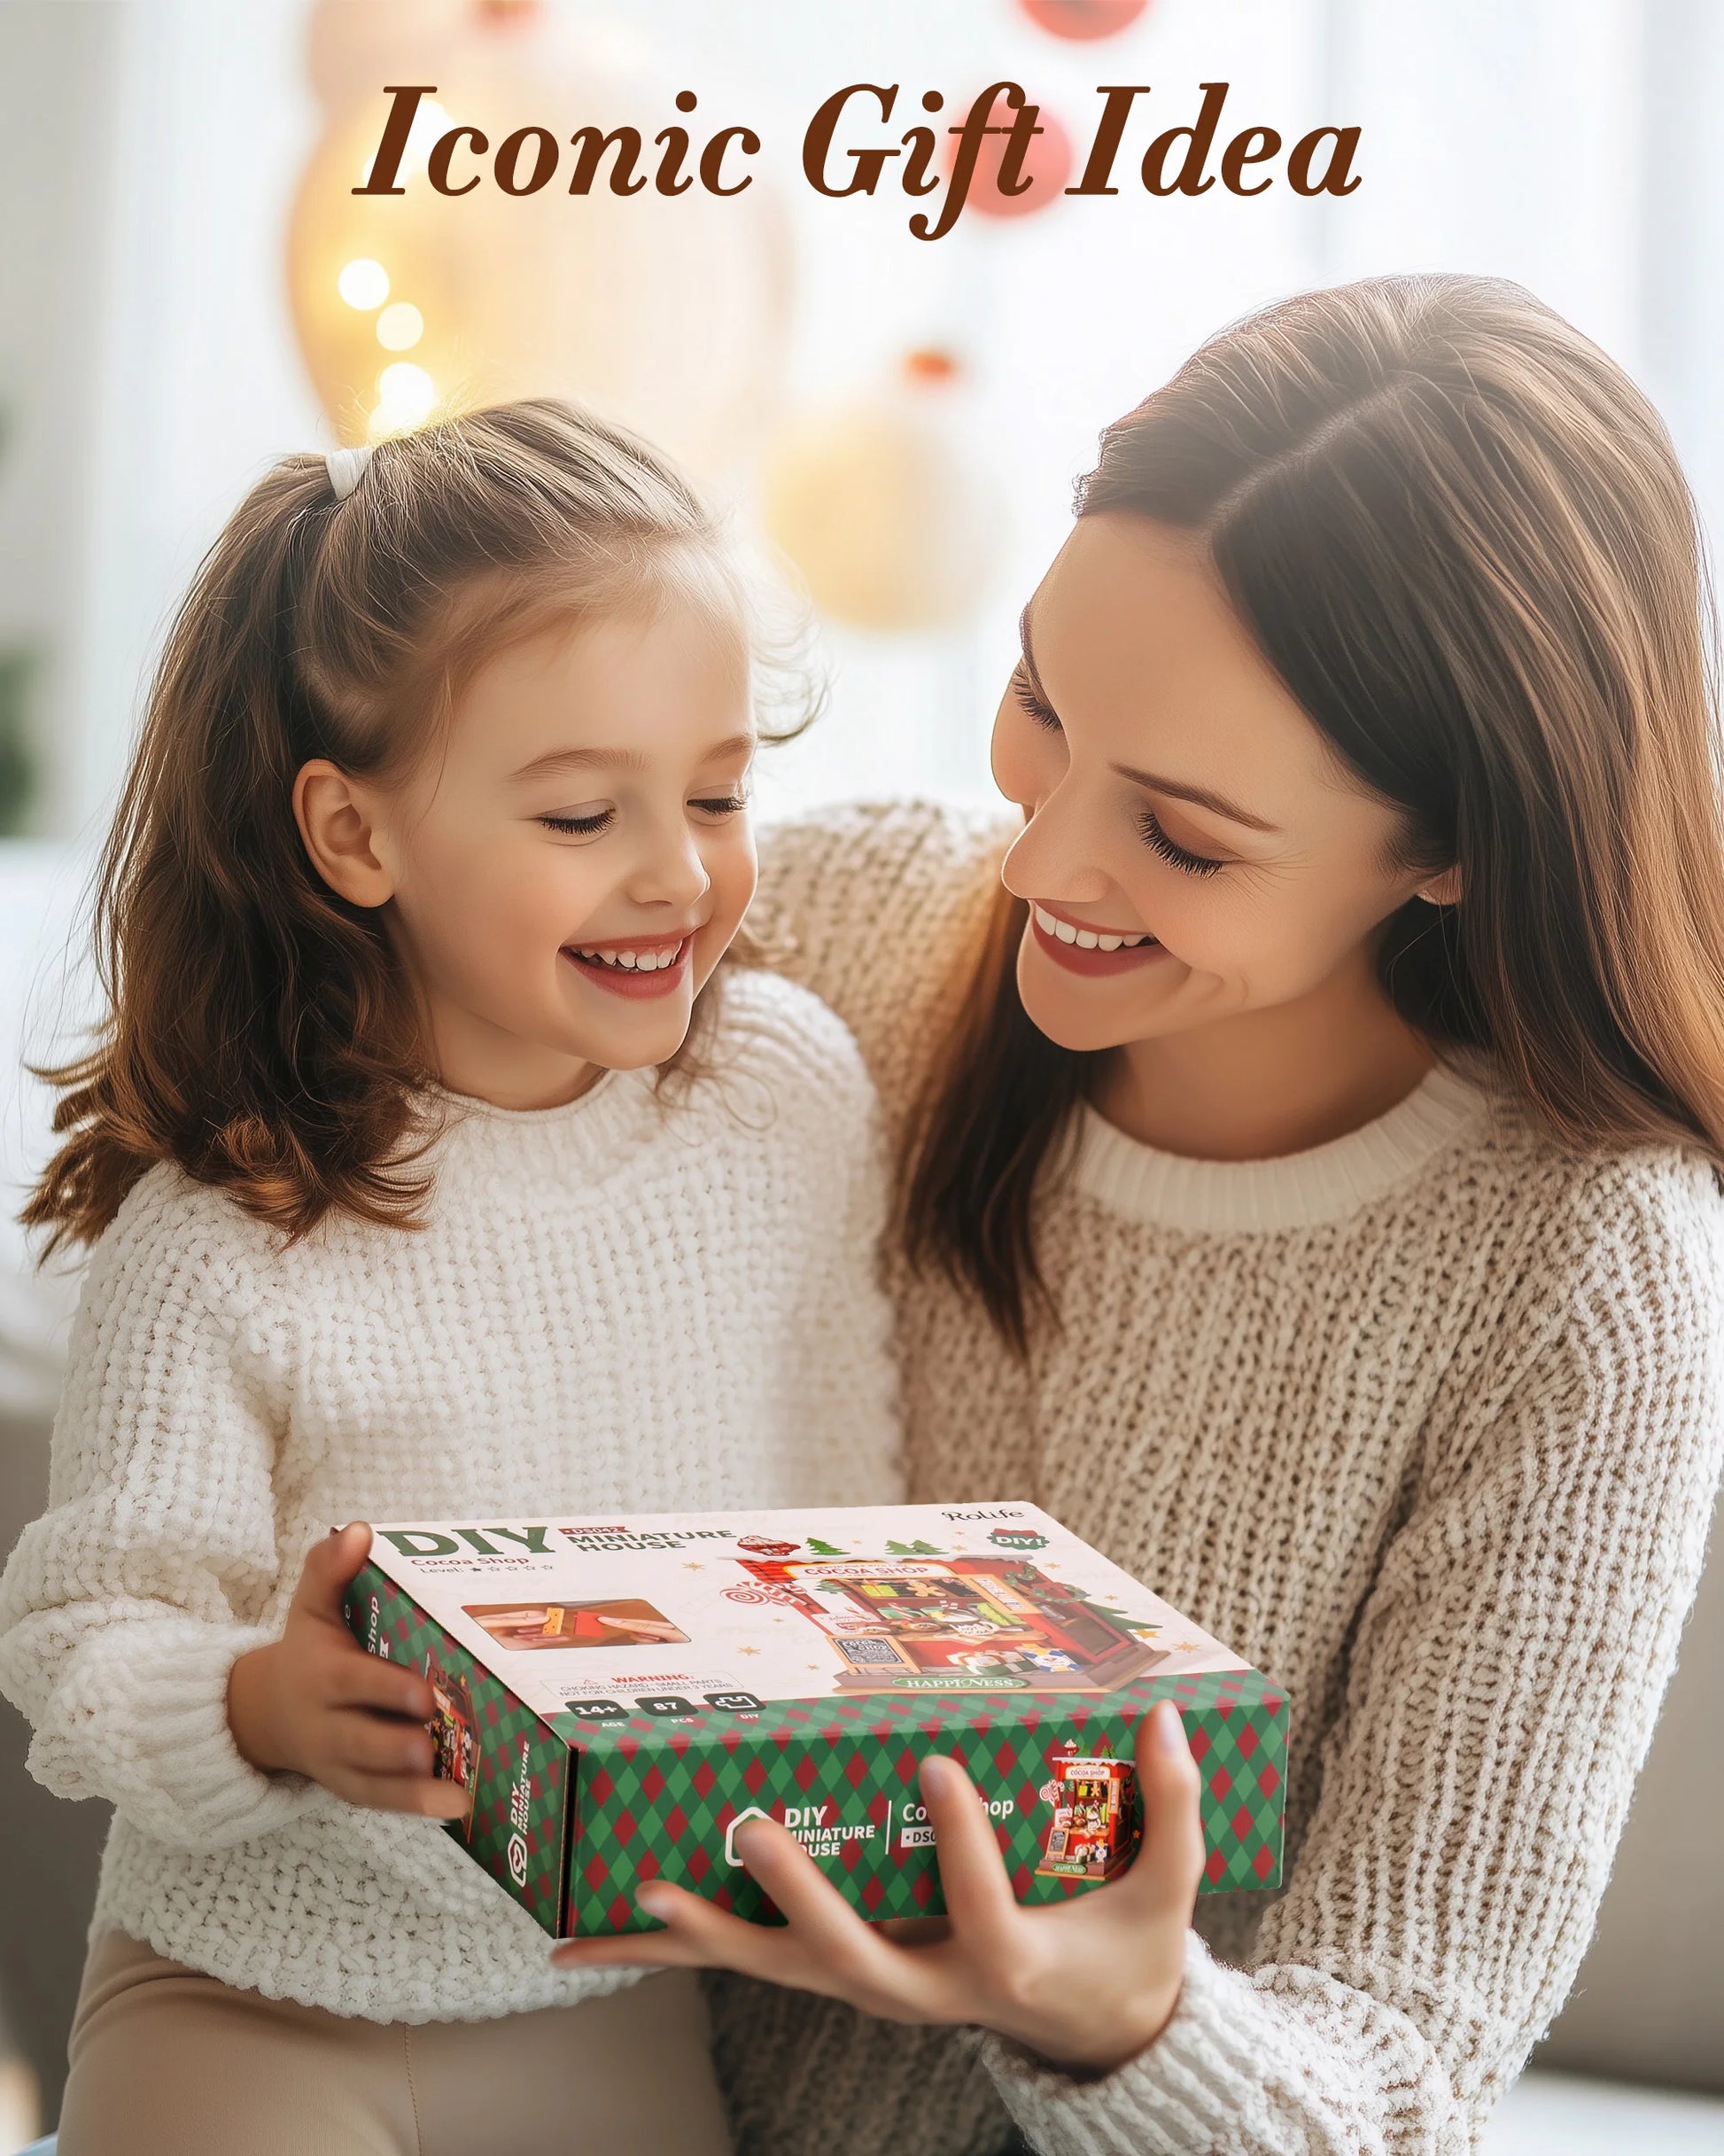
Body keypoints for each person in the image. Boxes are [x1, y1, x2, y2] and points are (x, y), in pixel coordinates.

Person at [554, 275, 1724, 2153]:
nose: (1037, 855)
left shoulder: (1583, 1268)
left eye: (1181, 833)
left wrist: (1123, 2019)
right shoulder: (845, 935)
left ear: (1448, 845)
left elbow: (1399, 2079)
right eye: (1038, 703)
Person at [0, 401, 900, 2155]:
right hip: (245, 2003)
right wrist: (258, 1698)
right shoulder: (230, 1226)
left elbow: (839, 1517)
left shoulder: (780, 1094)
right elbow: (76, 1636)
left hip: (611, 2001)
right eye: (582, 810)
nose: (677, 869)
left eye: (718, 788)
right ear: (354, 836)